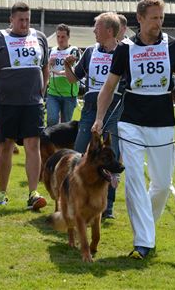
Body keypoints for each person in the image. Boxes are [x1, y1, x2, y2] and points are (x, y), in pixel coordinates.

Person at [91, 0, 175, 259]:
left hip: (163, 122)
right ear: (140, 18)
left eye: (162, 18)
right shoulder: (124, 49)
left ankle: (147, 225)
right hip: (131, 122)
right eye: (154, 18)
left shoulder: (173, 46)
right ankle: (144, 242)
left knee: (162, 183)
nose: (159, 23)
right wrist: (99, 118)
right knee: (133, 180)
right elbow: (109, 87)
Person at [0, 1, 49, 210]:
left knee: (33, 145)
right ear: (11, 19)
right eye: (21, 20)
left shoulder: (40, 37)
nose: (25, 24)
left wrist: (43, 90)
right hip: (6, 102)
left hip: (32, 103)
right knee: (6, 146)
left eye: (28, 19)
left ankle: (33, 193)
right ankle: (2, 192)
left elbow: (45, 66)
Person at [64, 12, 123, 219]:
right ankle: (73, 198)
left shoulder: (124, 52)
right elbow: (73, 79)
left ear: (108, 30)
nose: (94, 31)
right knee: (79, 154)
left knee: (111, 156)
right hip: (90, 109)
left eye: (96, 27)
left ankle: (107, 206)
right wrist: (67, 65)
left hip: (114, 110)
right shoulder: (89, 51)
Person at [46, 24, 80, 126]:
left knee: (65, 125)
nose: (60, 40)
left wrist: (57, 72)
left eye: (63, 37)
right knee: (51, 121)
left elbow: (75, 72)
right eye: (58, 36)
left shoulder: (74, 51)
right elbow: (45, 71)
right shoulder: (51, 51)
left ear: (68, 37)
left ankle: (61, 142)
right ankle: (50, 142)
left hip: (69, 95)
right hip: (53, 93)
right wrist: (49, 64)